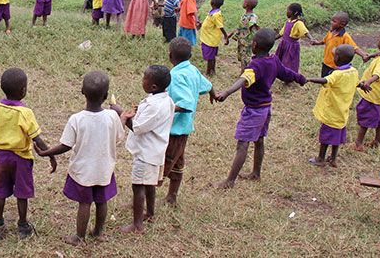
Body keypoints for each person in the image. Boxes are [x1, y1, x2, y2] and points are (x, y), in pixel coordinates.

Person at [34, 70, 123, 245]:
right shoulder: (112, 117)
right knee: (101, 201)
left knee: (85, 203)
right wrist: (122, 117)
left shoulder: (77, 119)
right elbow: (118, 137)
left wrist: (46, 152)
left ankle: (80, 237)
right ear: (106, 95)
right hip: (104, 169)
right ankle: (98, 232)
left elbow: (66, 145)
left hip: (83, 172)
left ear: (82, 91)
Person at [211, 29, 306, 189]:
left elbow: (243, 79)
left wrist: (227, 92)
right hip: (265, 108)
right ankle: (256, 173)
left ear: (254, 45)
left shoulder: (255, 65)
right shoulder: (273, 59)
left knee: (243, 144)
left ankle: (229, 181)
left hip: (254, 111)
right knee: (259, 140)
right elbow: (286, 73)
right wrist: (300, 78)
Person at [0, 68, 56, 240]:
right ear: (23, 91)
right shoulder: (25, 113)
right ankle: (22, 225)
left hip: (2, 158)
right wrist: (50, 154)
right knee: (22, 193)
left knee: (0, 191)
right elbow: (37, 139)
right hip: (21, 159)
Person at [119, 66, 174, 234]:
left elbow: (137, 127)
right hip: (156, 151)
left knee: (138, 187)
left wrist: (120, 112)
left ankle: (137, 225)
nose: (142, 80)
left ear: (154, 87)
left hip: (145, 153)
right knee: (150, 184)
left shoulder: (154, 106)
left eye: (144, 78)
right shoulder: (166, 100)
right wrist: (140, 111)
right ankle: (150, 213)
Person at [165, 37, 215, 205]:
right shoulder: (192, 70)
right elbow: (207, 85)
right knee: (178, 161)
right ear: (191, 55)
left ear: (170, 55)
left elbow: (185, 103)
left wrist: (165, 110)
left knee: (165, 162)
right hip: (184, 128)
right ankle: (172, 196)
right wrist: (213, 94)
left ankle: (143, 194)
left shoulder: (175, 75)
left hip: (174, 128)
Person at [305, 44, 358, 167]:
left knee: (326, 137)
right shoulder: (353, 71)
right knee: (337, 136)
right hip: (342, 110)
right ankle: (333, 159)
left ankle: (321, 158)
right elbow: (356, 83)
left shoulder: (337, 74)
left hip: (332, 110)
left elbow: (326, 80)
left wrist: (309, 79)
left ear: (337, 58)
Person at [311, 12, 369, 77]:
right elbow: (324, 41)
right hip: (326, 64)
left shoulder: (345, 36)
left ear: (342, 24)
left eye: (334, 21)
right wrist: (316, 43)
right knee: (325, 81)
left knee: (333, 82)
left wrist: (363, 54)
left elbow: (354, 48)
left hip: (336, 67)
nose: (331, 23)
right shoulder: (330, 32)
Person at [274, 3, 314, 76]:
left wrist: (311, 38)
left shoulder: (298, 23)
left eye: (288, 10)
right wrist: (273, 39)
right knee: (280, 58)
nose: (287, 12)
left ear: (294, 12)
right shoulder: (288, 22)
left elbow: (305, 31)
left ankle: (289, 77)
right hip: (284, 44)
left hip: (291, 46)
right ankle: (280, 73)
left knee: (289, 62)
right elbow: (281, 33)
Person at [199, 0, 229, 76]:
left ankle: (208, 72)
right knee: (212, 56)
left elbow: (221, 27)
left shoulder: (216, 15)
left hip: (211, 40)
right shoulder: (212, 12)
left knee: (210, 58)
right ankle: (212, 70)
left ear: (211, 3)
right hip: (208, 38)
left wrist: (226, 36)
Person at [227, 0, 260, 69]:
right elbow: (239, 28)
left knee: (246, 57)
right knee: (242, 56)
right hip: (241, 40)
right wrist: (229, 35)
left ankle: (245, 72)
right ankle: (242, 71)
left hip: (248, 42)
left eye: (244, 2)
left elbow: (255, 27)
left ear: (246, 5)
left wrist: (257, 39)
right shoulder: (244, 15)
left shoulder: (253, 17)